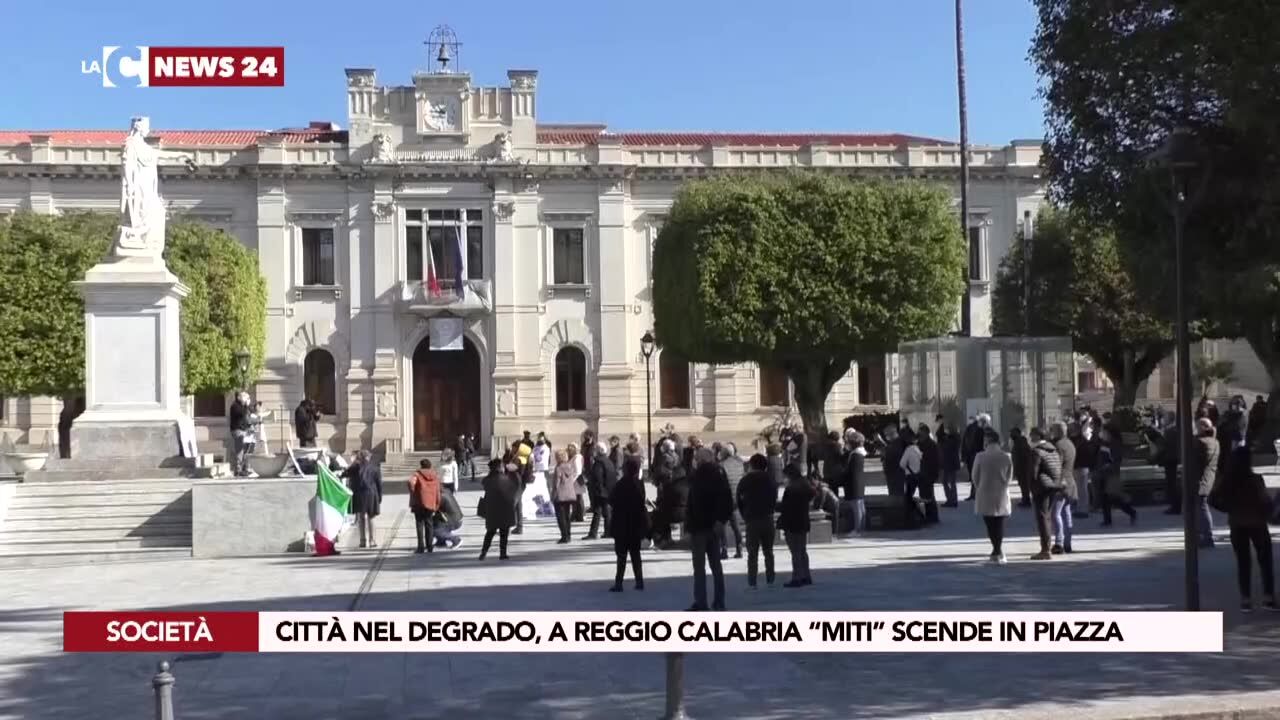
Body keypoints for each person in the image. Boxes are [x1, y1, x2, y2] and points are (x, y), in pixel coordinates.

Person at [1210, 448, 1277, 612]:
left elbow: (1213, 499)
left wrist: (1228, 508)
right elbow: (1265, 501)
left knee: (1243, 562)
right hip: (1257, 523)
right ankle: (1268, 597)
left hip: (1237, 524)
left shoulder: (1227, 480)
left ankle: (1245, 600)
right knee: (1265, 561)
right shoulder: (1255, 479)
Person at [686, 448, 732, 610]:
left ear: (701, 460)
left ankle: (701, 602)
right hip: (713, 525)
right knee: (715, 566)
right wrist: (721, 520)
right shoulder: (719, 473)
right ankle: (718, 601)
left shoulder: (700, 475)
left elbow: (695, 502)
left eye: (697, 458)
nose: (695, 460)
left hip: (700, 527)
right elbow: (727, 499)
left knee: (699, 567)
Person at [609, 455, 649, 591]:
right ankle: (639, 581)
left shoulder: (621, 484)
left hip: (622, 524)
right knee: (636, 555)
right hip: (635, 524)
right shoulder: (639, 484)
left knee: (621, 556)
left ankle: (619, 583)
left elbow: (611, 500)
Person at [737, 454, 777, 587]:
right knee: (768, 551)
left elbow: (739, 500)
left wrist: (745, 515)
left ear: (752, 465)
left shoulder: (745, 480)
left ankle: (752, 581)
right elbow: (774, 497)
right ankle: (770, 578)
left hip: (752, 518)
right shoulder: (770, 479)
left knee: (752, 553)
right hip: (768, 517)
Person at [972, 429, 1012, 563]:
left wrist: (980, 487)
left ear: (988, 441)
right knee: (999, 522)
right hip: (1001, 492)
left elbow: (974, 476)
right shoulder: (1006, 456)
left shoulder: (980, 456)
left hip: (985, 492)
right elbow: (1009, 477)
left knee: (989, 523)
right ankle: (998, 551)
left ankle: (996, 550)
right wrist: (1004, 486)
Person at [1027, 427, 1063, 561]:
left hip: (1041, 488)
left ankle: (1045, 550)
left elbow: (1033, 473)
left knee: (1042, 518)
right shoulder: (1053, 450)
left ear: (1037, 436)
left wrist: (1031, 487)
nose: (1030, 438)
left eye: (1031, 435)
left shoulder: (1036, 452)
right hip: (1052, 486)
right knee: (1047, 517)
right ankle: (1046, 547)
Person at [778, 464, 815, 587]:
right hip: (803, 520)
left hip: (792, 522)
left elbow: (785, 507)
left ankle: (797, 577)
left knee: (795, 551)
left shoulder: (791, 488)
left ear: (789, 475)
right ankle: (806, 575)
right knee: (802, 550)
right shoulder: (806, 485)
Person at [1097, 426, 1137, 527]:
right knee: (1105, 498)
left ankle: (1131, 511)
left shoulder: (1114, 444)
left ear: (1109, 434)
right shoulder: (1104, 443)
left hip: (1111, 475)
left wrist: (1108, 466)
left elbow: (1116, 460)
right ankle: (1107, 520)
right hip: (1104, 473)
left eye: (1104, 432)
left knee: (1113, 498)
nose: (1102, 434)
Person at [479, 459, 519, 560]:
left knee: (490, 532)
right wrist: (514, 472)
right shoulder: (506, 479)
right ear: (500, 467)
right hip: (505, 509)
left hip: (492, 509)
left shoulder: (487, 480)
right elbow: (517, 485)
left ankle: (483, 552)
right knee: (504, 533)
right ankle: (503, 553)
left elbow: (485, 484)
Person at [1049, 422, 1078, 554]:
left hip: (1061, 482)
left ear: (1058, 431)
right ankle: (1068, 543)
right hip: (1070, 481)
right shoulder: (1070, 444)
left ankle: (1059, 543)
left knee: (1056, 514)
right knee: (1067, 514)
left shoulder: (1058, 445)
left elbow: (1056, 465)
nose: (1051, 432)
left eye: (1053, 430)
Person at [1193, 417, 1221, 548]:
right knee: (1201, 507)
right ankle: (1203, 535)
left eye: (1197, 426)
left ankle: (1207, 536)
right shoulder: (1214, 441)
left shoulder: (1200, 442)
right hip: (1208, 479)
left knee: (1201, 508)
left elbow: (1194, 460)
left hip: (1200, 480)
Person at [346, 450, 383, 549]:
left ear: (360, 457)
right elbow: (379, 484)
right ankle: (372, 540)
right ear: (368, 457)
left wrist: (354, 463)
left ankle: (362, 541)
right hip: (371, 494)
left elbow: (345, 473)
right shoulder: (375, 468)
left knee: (361, 517)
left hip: (359, 494)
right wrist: (379, 496)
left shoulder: (355, 467)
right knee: (371, 517)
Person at [715, 443, 745, 559]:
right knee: (735, 524)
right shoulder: (740, 464)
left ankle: (724, 549)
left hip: (725, 498)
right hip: (736, 497)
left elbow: (719, 483)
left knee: (721, 524)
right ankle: (739, 548)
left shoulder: (721, 466)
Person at [584, 443, 617, 540]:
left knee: (597, 512)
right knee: (607, 512)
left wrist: (593, 486)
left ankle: (593, 533)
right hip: (608, 490)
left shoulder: (599, 463)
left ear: (598, 451)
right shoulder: (608, 461)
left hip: (600, 491)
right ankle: (608, 532)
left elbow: (598, 478)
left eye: (594, 449)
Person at [408, 458, 441, 554]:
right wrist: (437, 503)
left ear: (421, 465)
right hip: (430, 503)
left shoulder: (417, 474)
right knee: (429, 524)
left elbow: (410, 482)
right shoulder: (435, 476)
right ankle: (430, 546)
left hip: (419, 503)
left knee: (419, 524)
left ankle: (421, 547)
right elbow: (438, 491)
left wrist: (413, 491)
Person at [916, 424, 941, 524]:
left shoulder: (931, 444)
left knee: (929, 496)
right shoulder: (920, 443)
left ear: (926, 433)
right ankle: (929, 515)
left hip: (928, 473)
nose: (919, 435)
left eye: (921, 432)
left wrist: (934, 474)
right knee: (925, 495)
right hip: (922, 473)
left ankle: (932, 516)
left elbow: (935, 461)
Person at [551, 449, 578, 543]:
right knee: (567, 516)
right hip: (569, 495)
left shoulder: (558, 468)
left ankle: (564, 536)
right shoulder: (570, 467)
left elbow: (556, 484)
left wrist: (553, 495)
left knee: (560, 517)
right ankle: (568, 535)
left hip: (560, 495)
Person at [1069, 420, 1094, 519]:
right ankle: (1078, 508)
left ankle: (1083, 509)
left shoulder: (1081, 441)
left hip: (1081, 467)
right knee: (1077, 489)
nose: (1070, 431)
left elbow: (1086, 454)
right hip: (1076, 467)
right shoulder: (1074, 439)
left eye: (1072, 429)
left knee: (1082, 489)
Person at [844, 432, 868, 534]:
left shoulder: (855, 455)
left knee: (857, 508)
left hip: (854, 483)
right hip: (859, 482)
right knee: (860, 506)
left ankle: (858, 529)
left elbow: (850, 471)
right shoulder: (860, 453)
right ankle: (861, 528)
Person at [1158, 419, 1181, 515]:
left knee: (1171, 483)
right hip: (1175, 459)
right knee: (1174, 483)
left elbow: (1164, 446)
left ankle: (1174, 506)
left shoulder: (1168, 431)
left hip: (1169, 459)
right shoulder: (1177, 430)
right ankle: (1176, 505)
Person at [228, 391, 253, 478]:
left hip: (243, 430)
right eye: (246, 398)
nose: (247, 400)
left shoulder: (242, 406)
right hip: (237, 431)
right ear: (241, 398)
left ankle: (244, 469)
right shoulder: (235, 406)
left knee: (245, 450)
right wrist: (246, 405)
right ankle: (238, 470)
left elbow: (247, 414)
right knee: (239, 450)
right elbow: (242, 413)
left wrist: (247, 406)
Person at [433, 484, 464, 550]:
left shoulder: (440, 496)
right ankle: (441, 542)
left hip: (454, 520)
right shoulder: (446, 491)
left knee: (434, 530)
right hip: (457, 518)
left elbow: (433, 508)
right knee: (435, 522)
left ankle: (456, 540)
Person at [938, 421, 962, 507]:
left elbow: (948, 448)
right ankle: (951, 499)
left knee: (949, 482)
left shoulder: (954, 438)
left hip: (950, 462)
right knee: (949, 482)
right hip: (950, 462)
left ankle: (952, 500)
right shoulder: (951, 437)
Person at [1010, 427, 1034, 508]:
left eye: (1013, 433)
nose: (1011, 435)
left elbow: (1022, 456)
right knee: (1023, 484)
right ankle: (1025, 499)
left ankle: (1026, 500)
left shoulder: (1020, 442)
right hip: (1021, 467)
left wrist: (1017, 468)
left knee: (1024, 484)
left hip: (1023, 468)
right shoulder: (1018, 442)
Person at [881, 425, 905, 497]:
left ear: (892, 434)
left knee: (896, 496)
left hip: (896, 476)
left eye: (886, 435)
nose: (886, 437)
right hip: (893, 476)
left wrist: (885, 454)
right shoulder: (893, 443)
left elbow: (894, 459)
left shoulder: (898, 444)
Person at [568, 442, 586, 523]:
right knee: (576, 499)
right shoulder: (573, 457)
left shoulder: (577, 458)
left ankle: (580, 515)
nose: (569, 450)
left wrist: (571, 480)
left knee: (578, 498)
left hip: (577, 480)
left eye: (571, 448)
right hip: (575, 480)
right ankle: (576, 515)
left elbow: (577, 471)